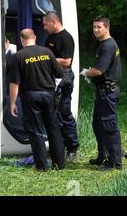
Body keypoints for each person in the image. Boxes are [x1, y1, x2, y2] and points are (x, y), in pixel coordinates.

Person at [9, 29, 66, 171]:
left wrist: (12, 102)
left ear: (22, 40)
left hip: (31, 96)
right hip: (48, 95)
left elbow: (14, 83)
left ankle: (41, 166)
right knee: (53, 130)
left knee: (35, 131)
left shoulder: (19, 56)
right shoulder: (47, 52)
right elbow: (60, 73)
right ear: (34, 37)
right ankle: (59, 164)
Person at [80, 15, 122, 170]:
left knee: (109, 126)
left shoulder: (107, 45)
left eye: (99, 27)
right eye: (94, 27)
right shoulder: (105, 43)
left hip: (108, 92)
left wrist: (86, 72)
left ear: (107, 28)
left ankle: (115, 162)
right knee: (98, 125)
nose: (95, 30)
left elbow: (98, 70)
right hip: (103, 91)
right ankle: (102, 156)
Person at [43, 11, 79, 162]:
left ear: (53, 22)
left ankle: (73, 149)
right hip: (53, 79)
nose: (44, 28)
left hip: (64, 79)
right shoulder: (51, 37)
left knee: (64, 113)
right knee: (54, 114)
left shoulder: (65, 38)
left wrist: (48, 59)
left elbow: (67, 62)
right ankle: (58, 148)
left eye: (45, 24)